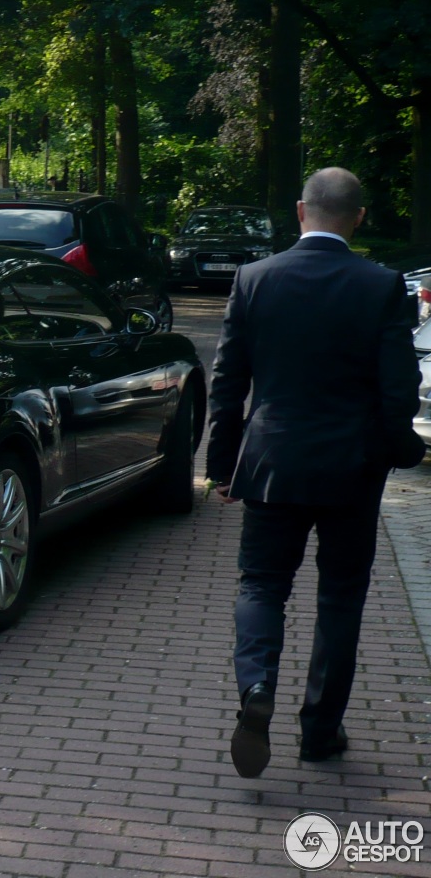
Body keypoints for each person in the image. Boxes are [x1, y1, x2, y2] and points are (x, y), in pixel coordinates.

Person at [205, 166, 425, 779]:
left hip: (273, 461)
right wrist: (395, 450)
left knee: (261, 586)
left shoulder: (254, 279)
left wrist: (222, 466)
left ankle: (255, 687)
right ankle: (320, 732)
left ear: (301, 212)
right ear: (358, 218)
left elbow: (228, 384)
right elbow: (399, 388)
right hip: (353, 469)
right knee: (341, 597)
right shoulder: (382, 286)